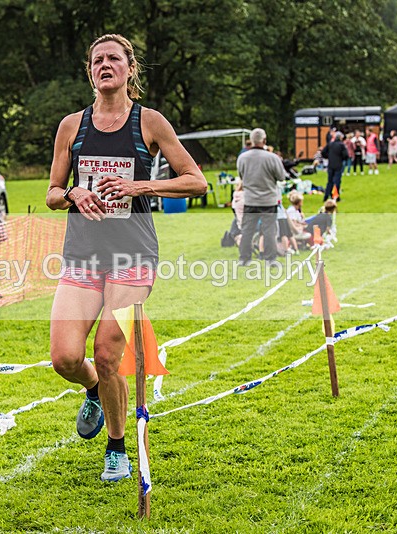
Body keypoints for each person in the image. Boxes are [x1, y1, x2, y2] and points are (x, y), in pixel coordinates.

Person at [45, 34, 206, 482]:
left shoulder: (149, 122)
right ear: (89, 71)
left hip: (133, 256)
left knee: (107, 352)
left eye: (114, 58)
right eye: (97, 60)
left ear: (130, 68)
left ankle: (116, 448)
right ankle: (94, 389)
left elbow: (196, 181)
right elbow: (52, 192)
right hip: (82, 255)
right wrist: (73, 193)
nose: (105, 65)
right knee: (64, 358)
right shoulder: (71, 126)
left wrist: (141, 186)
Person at [236, 128, 286, 266]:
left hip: (250, 199)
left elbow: (241, 176)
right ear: (264, 140)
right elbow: (281, 177)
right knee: (269, 230)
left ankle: (244, 258)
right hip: (268, 200)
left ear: (251, 140)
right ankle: (270, 259)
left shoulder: (243, 158)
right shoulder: (272, 158)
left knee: (247, 230)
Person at [321, 132, 348, 202]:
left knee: (329, 181)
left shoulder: (330, 144)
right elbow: (346, 155)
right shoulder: (341, 145)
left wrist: (328, 157)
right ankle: (336, 197)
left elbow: (323, 152)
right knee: (337, 181)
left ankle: (326, 196)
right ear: (340, 138)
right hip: (338, 165)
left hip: (330, 165)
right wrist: (342, 158)